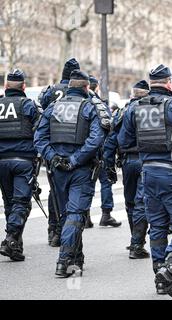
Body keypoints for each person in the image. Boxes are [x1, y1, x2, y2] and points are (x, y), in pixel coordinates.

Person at [118, 64, 172, 299]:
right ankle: (169, 268)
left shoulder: (134, 108)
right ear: (169, 83)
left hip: (148, 173)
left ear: (150, 84)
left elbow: (123, 140)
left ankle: (161, 279)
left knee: (156, 226)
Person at [34, 70, 105, 277]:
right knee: (75, 215)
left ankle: (76, 258)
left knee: (68, 215)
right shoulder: (90, 108)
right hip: (80, 169)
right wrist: (74, 160)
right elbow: (95, 140)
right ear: (86, 88)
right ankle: (64, 261)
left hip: (57, 170)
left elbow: (39, 138)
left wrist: (54, 157)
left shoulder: (53, 107)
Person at [39, 58, 80, 247]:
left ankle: (53, 230)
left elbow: (43, 111)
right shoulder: (80, 93)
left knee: (54, 191)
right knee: (74, 193)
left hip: (53, 148)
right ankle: (66, 231)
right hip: (76, 148)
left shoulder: (50, 91)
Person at [0, 69, 40, 262]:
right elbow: (40, 130)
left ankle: (15, 247)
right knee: (21, 203)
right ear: (24, 87)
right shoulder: (28, 105)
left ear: (6, 87)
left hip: (1, 162)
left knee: (10, 204)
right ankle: (10, 238)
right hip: (23, 160)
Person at [109, 80, 151, 259]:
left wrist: (108, 163)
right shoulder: (151, 111)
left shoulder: (122, 112)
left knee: (130, 202)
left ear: (133, 94)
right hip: (145, 160)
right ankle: (137, 243)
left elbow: (112, 140)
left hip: (127, 161)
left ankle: (135, 238)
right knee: (141, 202)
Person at [84, 75, 121, 229]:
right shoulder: (100, 104)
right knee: (105, 182)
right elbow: (109, 128)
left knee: (86, 183)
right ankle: (106, 214)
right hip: (101, 149)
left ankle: (85, 215)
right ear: (96, 87)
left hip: (84, 150)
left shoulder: (83, 102)